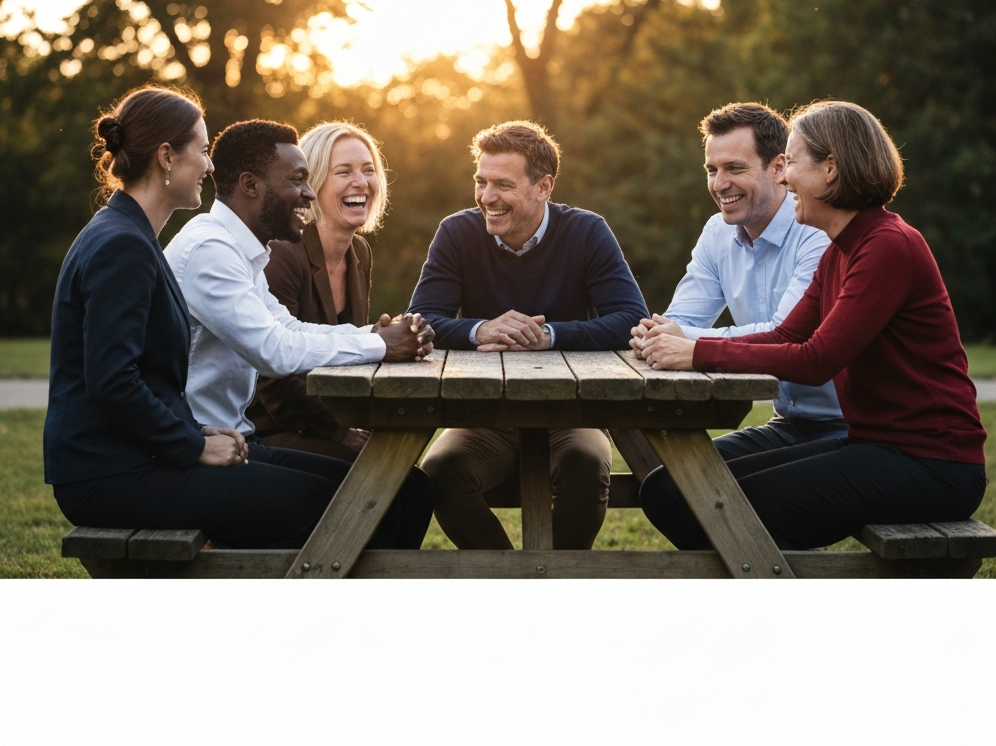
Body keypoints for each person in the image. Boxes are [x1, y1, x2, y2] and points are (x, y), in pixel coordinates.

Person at [44, 86, 412, 549]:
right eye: (201, 150)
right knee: (349, 503)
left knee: (393, 493)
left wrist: (371, 335)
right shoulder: (125, 245)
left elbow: (154, 377)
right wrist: (195, 444)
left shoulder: (135, 237)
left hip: (143, 457)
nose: (210, 165)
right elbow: (113, 383)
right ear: (165, 157)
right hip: (111, 472)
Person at [636, 100, 988, 550]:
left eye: (793, 163)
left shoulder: (888, 246)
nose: (783, 177)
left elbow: (817, 358)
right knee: (672, 490)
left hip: (931, 464)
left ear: (831, 170)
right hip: (873, 445)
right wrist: (684, 343)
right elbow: (786, 336)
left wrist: (696, 351)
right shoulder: (840, 248)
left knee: (718, 504)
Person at [164, 118, 434, 548]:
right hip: (200, 449)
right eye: (298, 180)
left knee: (410, 492)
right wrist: (379, 343)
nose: (307, 194)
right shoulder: (210, 250)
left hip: (233, 442)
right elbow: (274, 352)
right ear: (251, 185)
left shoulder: (245, 252)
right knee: (373, 500)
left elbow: (288, 328)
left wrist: (379, 334)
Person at [409, 120, 650, 550]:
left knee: (585, 463)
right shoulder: (457, 232)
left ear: (543, 187)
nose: (486, 197)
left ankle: (556, 582)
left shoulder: (587, 231)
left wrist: (550, 336)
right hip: (485, 413)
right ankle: (512, 585)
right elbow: (422, 319)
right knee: (438, 474)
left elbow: (630, 318)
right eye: (480, 182)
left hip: (571, 411)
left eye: (502, 184)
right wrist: (480, 328)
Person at [629, 102, 846, 461]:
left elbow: (785, 333)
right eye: (711, 169)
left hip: (848, 427)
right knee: (670, 484)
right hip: (787, 422)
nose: (719, 184)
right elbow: (682, 320)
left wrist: (683, 340)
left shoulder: (815, 230)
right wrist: (655, 334)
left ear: (778, 167)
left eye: (734, 168)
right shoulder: (717, 231)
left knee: (702, 493)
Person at [246, 121, 389, 461]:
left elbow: (347, 354)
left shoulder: (360, 252)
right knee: (391, 478)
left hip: (329, 420)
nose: (361, 181)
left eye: (368, 170)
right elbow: (271, 376)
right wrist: (339, 433)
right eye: (343, 172)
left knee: (401, 472)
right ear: (310, 185)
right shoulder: (281, 252)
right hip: (267, 428)